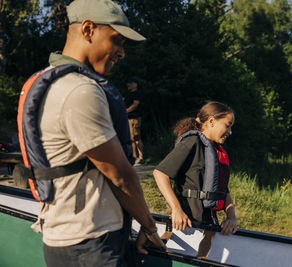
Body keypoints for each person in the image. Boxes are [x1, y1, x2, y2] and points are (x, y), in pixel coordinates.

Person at [17, 0, 165, 266]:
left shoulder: (50, 79)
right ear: (87, 29)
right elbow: (120, 175)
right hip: (92, 243)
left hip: (63, 236)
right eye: (117, 41)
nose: (122, 53)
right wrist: (149, 226)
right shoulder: (80, 91)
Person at [153, 101, 237, 257]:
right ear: (211, 121)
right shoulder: (192, 142)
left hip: (208, 226)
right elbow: (160, 173)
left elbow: (223, 190)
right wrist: (176, 210)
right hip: (186, 225)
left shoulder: (215, 150)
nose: (230, 131)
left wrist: (231, 217)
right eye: (228, 125)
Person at [125, 77, 144, 166]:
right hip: (129, 118)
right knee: (131, 138)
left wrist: (125, 111)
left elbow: (135, 104)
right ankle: (134, 157)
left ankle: (141, 157)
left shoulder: (137, 94)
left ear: (135, 84)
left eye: (130, 83)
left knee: (136, 138)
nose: (128, 84)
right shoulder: (128, 94)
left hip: (135, 118)